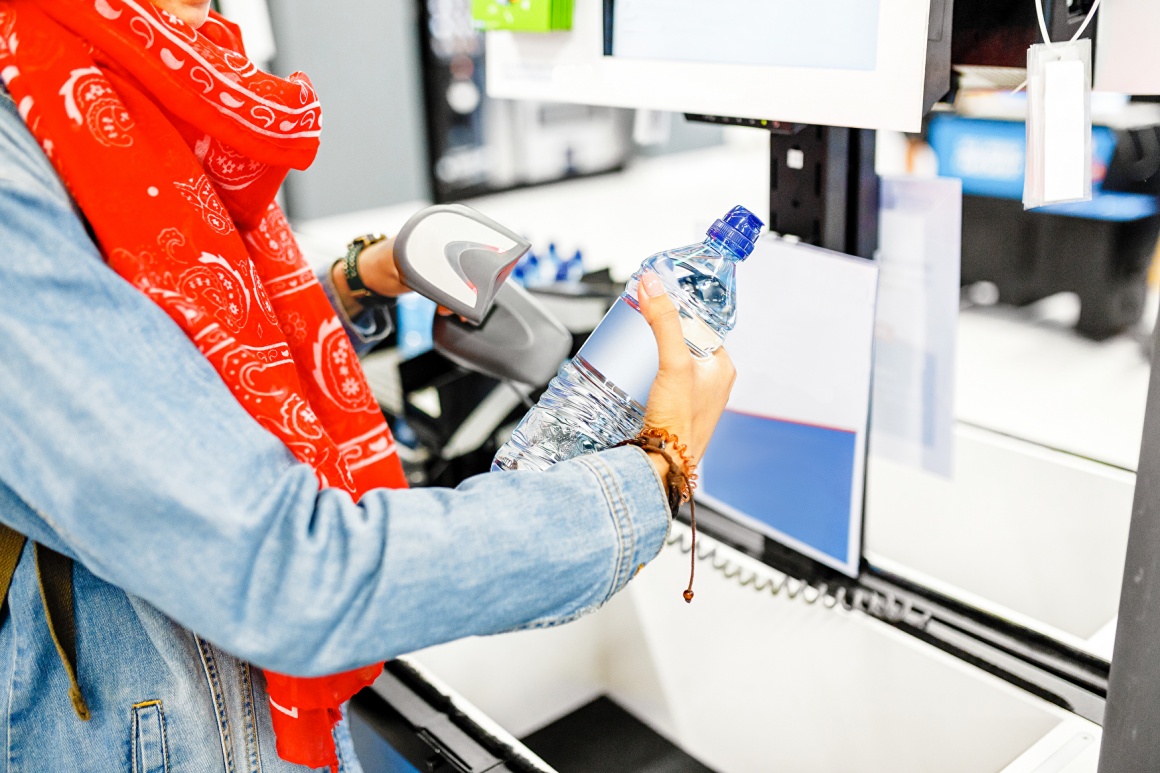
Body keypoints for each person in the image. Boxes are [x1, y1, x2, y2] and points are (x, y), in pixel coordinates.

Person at [0, 0, 735, 770]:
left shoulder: (113, 73)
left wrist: (353, 285)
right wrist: (652, 472)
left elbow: (167, 352)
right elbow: (291, 574)